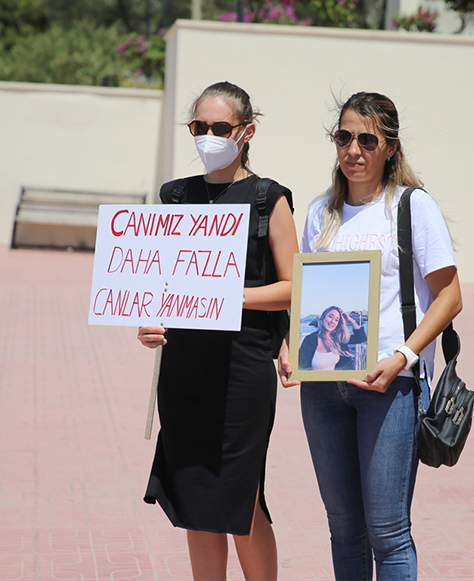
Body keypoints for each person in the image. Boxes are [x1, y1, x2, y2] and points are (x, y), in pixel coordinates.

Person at [280, 91, 463, 580]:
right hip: (323, 389)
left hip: (392, 388)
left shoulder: (410, 207)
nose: (353, 150)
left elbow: (449, 298)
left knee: (388, 532)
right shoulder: (321, 212)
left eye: (367, 139)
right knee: (343, 528)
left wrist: (403, 357)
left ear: (389, 147)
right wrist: (289, 345)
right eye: (344, 137)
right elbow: (309, 297)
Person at [137, 81, 299, 581]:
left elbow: (296, 285)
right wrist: (150, 318)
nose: (208, 135)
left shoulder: (269, 198)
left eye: (220, 127)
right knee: (194, 497)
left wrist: (231, 297)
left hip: (243, 369)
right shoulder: (175, 196)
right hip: (184, 370)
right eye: (199, 127)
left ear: (246, 131)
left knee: (242, 497)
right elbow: (158, 278)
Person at [298, 306, 366, 371]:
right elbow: (302, 367)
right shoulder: (309, 340)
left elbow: (361, 337)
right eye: (330, 316)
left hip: (339, 382)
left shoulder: (339, 338)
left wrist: (350, 320)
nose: (332, 321)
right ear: (323, 317)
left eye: (336, 320)